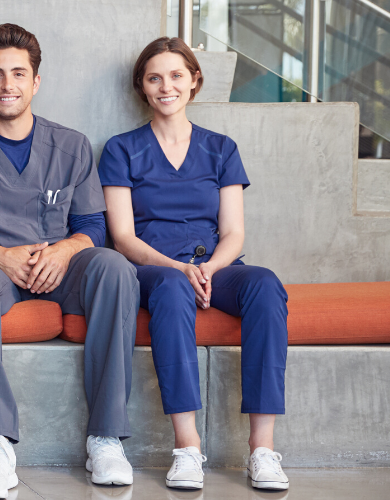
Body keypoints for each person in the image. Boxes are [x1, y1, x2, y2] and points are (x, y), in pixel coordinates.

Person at [0, 23, 141, 499]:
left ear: (36, 82)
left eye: (18, 74)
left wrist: (64, 250)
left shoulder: (72, 145)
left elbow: (93, 227)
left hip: (60, 270)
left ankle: (105, 438)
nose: (8, 85)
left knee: (114, 268)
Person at [99, 37, 289, 492]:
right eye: (155, 78)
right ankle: (187, 449)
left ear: (194, 81)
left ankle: (261, 451)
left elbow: (234, 233)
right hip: (155, 268)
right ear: (142, 88)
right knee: (170, 286)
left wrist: (208, 268)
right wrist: (179, 269)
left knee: (265, 284)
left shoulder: (221, 148)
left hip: (215, 268)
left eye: (177, 75)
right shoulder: (120, 149)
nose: (167, 86)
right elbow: (123, 238)